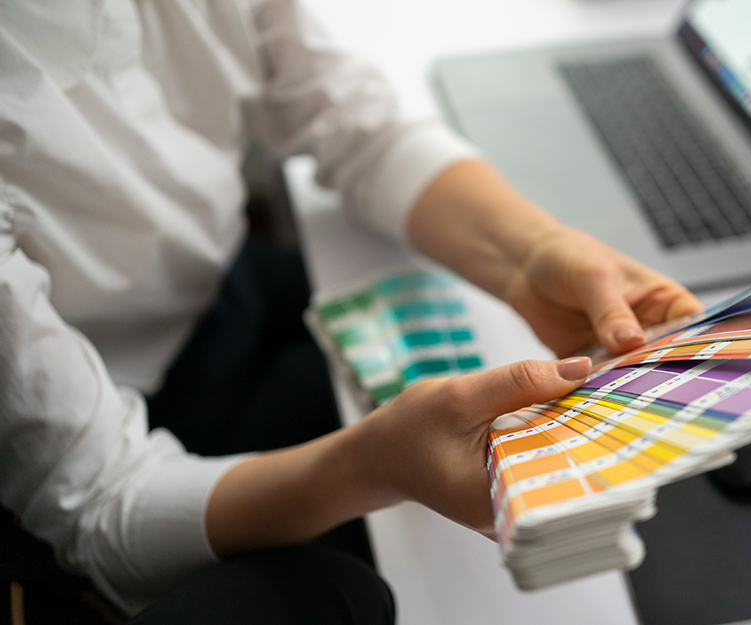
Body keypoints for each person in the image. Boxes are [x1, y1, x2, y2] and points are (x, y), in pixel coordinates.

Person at [0, 0, 702, 622]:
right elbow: (100, 501)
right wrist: (372, 467)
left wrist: (533, 251)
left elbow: (350, 118)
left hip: (216, 287)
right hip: (100, 433)